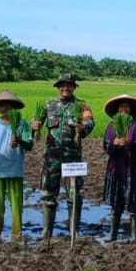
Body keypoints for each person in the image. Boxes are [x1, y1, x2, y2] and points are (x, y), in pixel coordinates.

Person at [36, 73, 95, 240]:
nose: (65, 88)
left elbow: (90, 122)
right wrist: (35, 125)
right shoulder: (48, 105)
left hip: (72, 158)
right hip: (51, 158)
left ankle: (74, 231)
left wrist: (82, 128)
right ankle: (47, 231)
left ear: (74, 87)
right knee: (48, 194)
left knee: (74, 194)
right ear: (57, 88)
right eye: (62, 85)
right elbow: (36, 121)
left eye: (69, 85)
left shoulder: (82, 105)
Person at [0, 89, 32, 241]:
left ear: (13, 106)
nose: (5, 108)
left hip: (15, 169)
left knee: (16, 205)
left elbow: (29, 145)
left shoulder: (22, 124)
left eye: (8, 105)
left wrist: (20, 141)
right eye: (1, 105)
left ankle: (17, 233)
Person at [102, 93, 136, 242]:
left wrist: (129, 143)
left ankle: (135, 237)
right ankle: (113, 235)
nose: (124, 109)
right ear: (117, 109)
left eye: (127, 106)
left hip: (131, 166)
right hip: (115, 168)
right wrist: (114, 143)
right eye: (121, 106)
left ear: (131, 109)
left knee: (133, 202)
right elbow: (106, 146)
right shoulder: (111, 125)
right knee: (116, 202)